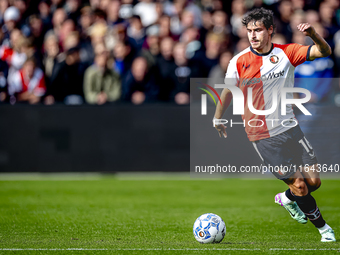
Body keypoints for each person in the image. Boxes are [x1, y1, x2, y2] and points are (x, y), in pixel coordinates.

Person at [213, 8, 335, 242]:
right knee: (300, 185)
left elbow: (324, 51)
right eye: (249, 31)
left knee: (313, 182)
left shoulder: (287, 53)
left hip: (290, 127)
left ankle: (286, 199)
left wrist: (313, 34)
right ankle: (324, 229)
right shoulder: (238, 61)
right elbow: (228, 90)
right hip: (262, 134)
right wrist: (218, 118)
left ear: (270, 30)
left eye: (258, 30)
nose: (253, 35)